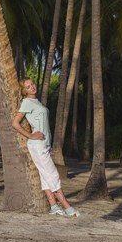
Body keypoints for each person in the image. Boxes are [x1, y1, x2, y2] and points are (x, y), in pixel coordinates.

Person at [12, 77, 80, 217]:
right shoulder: (26, 102)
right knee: (53, 175)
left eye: (32, 84)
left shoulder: (36, 102)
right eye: (28, 87)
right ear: (24, 91)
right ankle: (67, 207)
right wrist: (30, 135)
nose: (32, 87)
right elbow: (15, 123)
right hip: (37, 146)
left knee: (45, 176)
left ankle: (54, 206)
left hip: (44, 144)